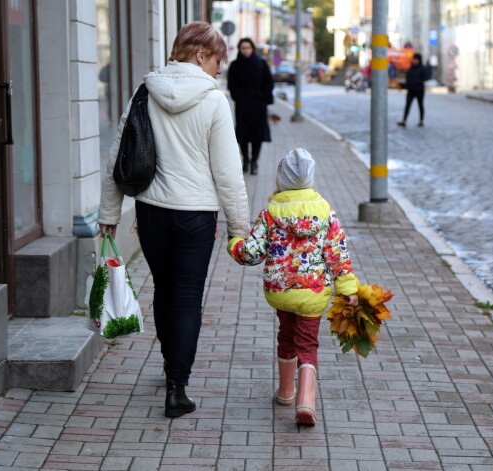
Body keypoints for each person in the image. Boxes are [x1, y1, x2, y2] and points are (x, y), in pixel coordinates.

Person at [98, 22, 250, 418]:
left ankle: (169, 367)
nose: (220, 69)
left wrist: (109, 213)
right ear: (200, 55)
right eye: (218, 59)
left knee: (164, 291)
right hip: (196, 216)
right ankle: (177, 388)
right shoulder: (215, 101)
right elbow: (229, 173)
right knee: (186, 298)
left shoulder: (144, 91)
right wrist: (241, 229)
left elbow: (119, 156)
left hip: (150, 213)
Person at [227, 148, 359, 426]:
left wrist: (233, 243)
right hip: (313, 292)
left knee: (286, 336)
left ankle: (285, 392)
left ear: (282, 179)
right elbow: (337, 254)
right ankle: (306, 401)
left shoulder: (271, 212)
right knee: (307, 343)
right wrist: (348, 288)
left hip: (281, 290)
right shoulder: (325, 211)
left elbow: (250, 253)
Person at [227, 38, 274, 175]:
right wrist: (238, 97)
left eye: (248, 47)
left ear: (252, 48)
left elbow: (269, 83)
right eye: (243, 48)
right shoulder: (235, 65)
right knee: (243, 134)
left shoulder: (261, 63)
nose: (245, 50)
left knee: (257, 135)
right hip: (243, 105)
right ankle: (245, 160)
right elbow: (232, 85)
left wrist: (263, 96)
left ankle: (254, 161)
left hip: (259, 105)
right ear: (239, 49)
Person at [397, 52, 431, 127]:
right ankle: (404, 120)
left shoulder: (422, 68)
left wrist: (418, 81)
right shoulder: (411, 68)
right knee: (407, 105)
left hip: (419, 90)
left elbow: (427, 76)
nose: (414, 61)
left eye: (416, 59)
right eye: (414, 59)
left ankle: (421, 120)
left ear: (419, 60)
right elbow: (408, 77)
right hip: (411, 90)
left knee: (420, 105)